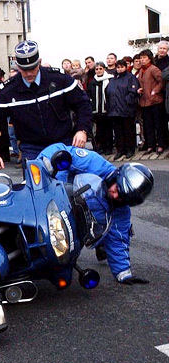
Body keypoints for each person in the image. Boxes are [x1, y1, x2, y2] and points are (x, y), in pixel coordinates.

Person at [38, 143, 153, 284]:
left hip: (70, 230)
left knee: (60, 275)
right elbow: (62, 151)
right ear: (117, 176)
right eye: (117, 189)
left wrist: (124, 274)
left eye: (122, 197)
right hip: (49, 197)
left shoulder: (121, 213)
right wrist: (47, 168)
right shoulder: (96, 164)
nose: (116, 196)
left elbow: (119, 241)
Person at [0, 40, 92, 170]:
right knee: (37, 189)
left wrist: (82, 130)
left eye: (32, 68)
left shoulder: (59, 79)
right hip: (32, 148)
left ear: (39, 62)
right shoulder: (8, 90)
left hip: (63, 143)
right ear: (17, 66)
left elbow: (83, 104)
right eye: (24, 70)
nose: (29, 74)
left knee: (69, 186)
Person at [107, 59, 140, 161]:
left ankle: (130, 149)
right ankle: (120, 150)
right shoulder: (113, 79)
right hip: (114, 110)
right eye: (118, 67)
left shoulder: (130, 77)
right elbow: (108, 93)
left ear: (125, 67)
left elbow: (133, 91)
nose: (119, 69)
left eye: (121, 67)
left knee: (128, 130)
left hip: (126, 109)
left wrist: (127, 102)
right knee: (118, 132)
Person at [135, 49, 166, 158]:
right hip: (144, 102)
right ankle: (151, 145)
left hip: (155, 101)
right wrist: (139, 90)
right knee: (148, 125)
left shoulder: (153, 69)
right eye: (141, 58)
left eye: (144, 58)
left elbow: (161, 81)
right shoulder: (140, 71)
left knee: (159, 124)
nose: (142, 60)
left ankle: (161, 144)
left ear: (149, 58)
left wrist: (155, 91)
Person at [87, 62, 114, 155]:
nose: (98, 71)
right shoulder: (92, 82)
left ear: (104, 69)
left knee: (108, 130)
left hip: (107, 109)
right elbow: (89, 95)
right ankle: (101, 147)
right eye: (97, 69)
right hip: (96, 110)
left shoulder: (110, 79)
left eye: (100, 69)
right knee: (99, 131)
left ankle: (109, 147)